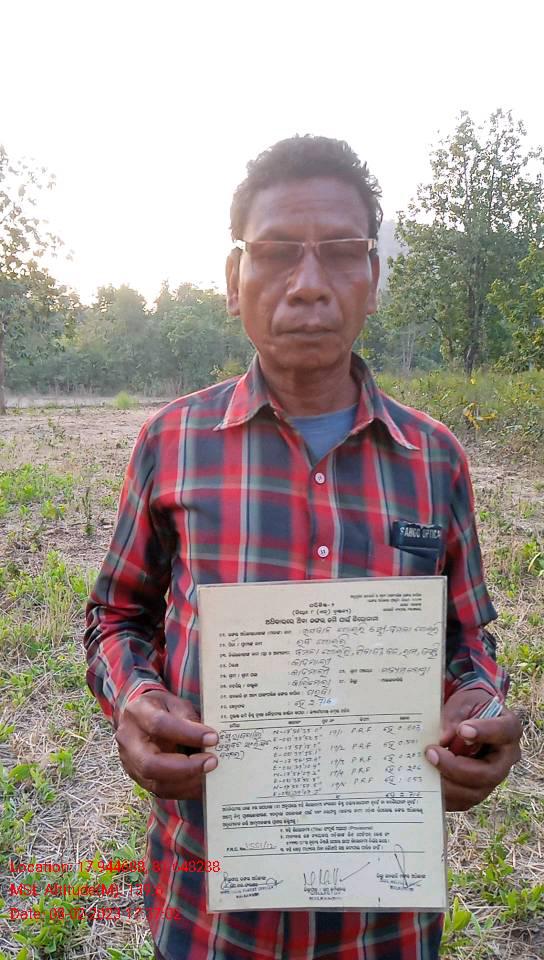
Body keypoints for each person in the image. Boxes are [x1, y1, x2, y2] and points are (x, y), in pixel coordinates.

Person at [84, 135, 522, 960]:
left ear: (374, 278)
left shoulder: (435, 459)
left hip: (383, 917)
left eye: (342, 252)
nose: (309, 283)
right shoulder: (171, 444)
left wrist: (481, 705)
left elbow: (468, 638)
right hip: (209, 906)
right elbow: (117, 614)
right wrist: (134, 699)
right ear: (233, 279)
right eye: (279, 251)